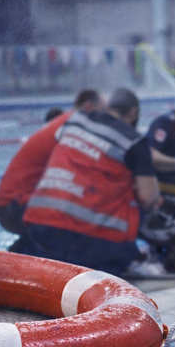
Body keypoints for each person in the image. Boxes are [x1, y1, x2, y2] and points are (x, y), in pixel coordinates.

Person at [20, 88, 161, 276]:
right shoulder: (134, 141)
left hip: (38, 227)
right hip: (85, 241)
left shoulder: (77, 120)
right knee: (140, 202)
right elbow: (149, 198)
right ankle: (126, 258)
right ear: (133, 113)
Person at [0, 89, 104, 236]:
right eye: (105, 113)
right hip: (14, 206)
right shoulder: (73, 125)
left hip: (10, 204)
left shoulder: (67, 122)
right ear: (89, 107)